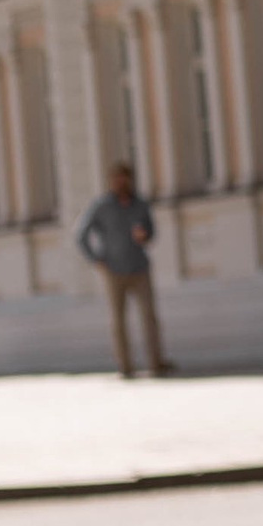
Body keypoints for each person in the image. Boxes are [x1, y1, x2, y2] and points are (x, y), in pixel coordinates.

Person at [78, 162, 175, 378]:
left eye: (124, 178)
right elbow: (81, 235)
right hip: (114, 270)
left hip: (139, 267)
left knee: (149, 316)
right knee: (118, 320)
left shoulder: (140, 205)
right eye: (117, 179)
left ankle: (156, 363)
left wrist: (145, 236)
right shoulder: (101, 206)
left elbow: (151, 232)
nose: (121, 183)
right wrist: (96, 259)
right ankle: (125, 366)